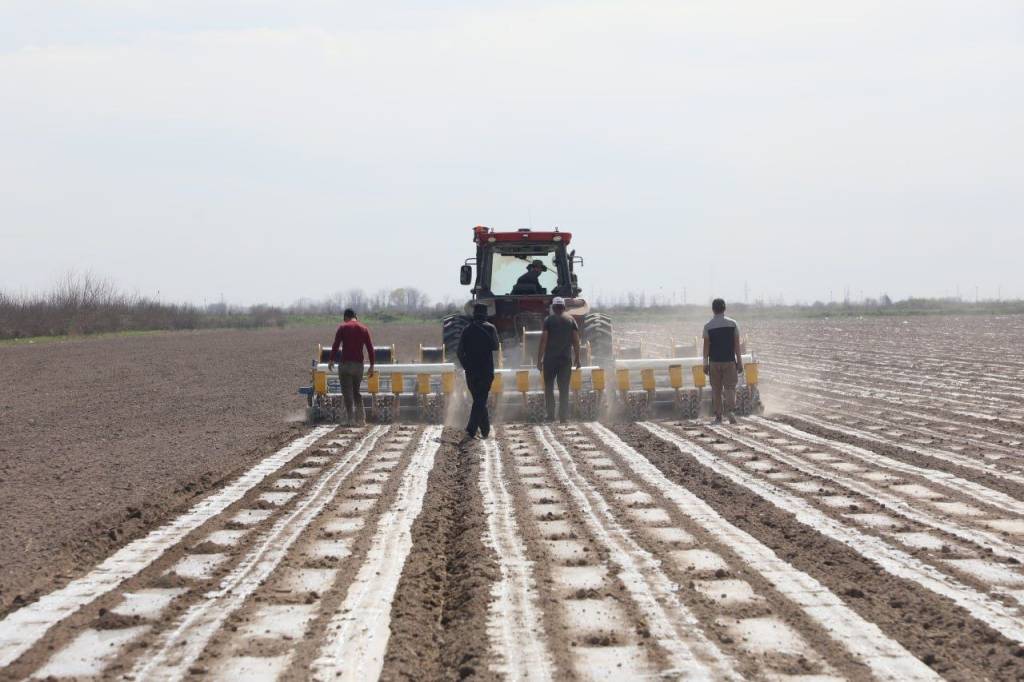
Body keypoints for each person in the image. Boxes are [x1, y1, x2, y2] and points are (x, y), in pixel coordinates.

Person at [457, 303, 500, 441]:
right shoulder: (490, 328)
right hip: (486, 371)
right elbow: (495, 347)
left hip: (471, 372)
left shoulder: (467, 329)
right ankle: (470, 431)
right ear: (485, 314)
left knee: (478, 399)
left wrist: (466, 366)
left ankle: (486, 430)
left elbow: (459, 352)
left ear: (474, 314)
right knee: (480, 400)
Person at [536, 297, 582, 422]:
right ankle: (563, 417)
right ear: (563, 307)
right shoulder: (571, 320)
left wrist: (539, 359)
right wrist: (578, 358)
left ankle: (550, 416)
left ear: (553, 307)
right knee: (564, 389)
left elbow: (544, 341)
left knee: (549, 388)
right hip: (565, 360)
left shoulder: (548, 320)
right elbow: (576, 342)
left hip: (550, 360)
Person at [327, 309, 375, 426]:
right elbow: (370, 348)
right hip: (359, 366)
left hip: (345, 365)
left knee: (347, 392)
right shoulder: (364, 329)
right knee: (356, 392)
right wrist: (372, 365)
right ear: (356, 317)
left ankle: (351, 419)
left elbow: (336, 344)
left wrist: (331, 360)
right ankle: (361, 419)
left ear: (346, 317)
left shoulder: (343, 328)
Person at [702, 298, 743, 424]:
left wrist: (705, 363)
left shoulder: (708, 326)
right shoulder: (733, 324)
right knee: (730, 388)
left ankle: (718, 416)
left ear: (713, 310)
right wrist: (739, 361)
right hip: (729, 361)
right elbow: (737, 345)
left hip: (714, 362)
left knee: (716, 389)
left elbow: (706, 347)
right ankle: (730, 411)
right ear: (724, 309)